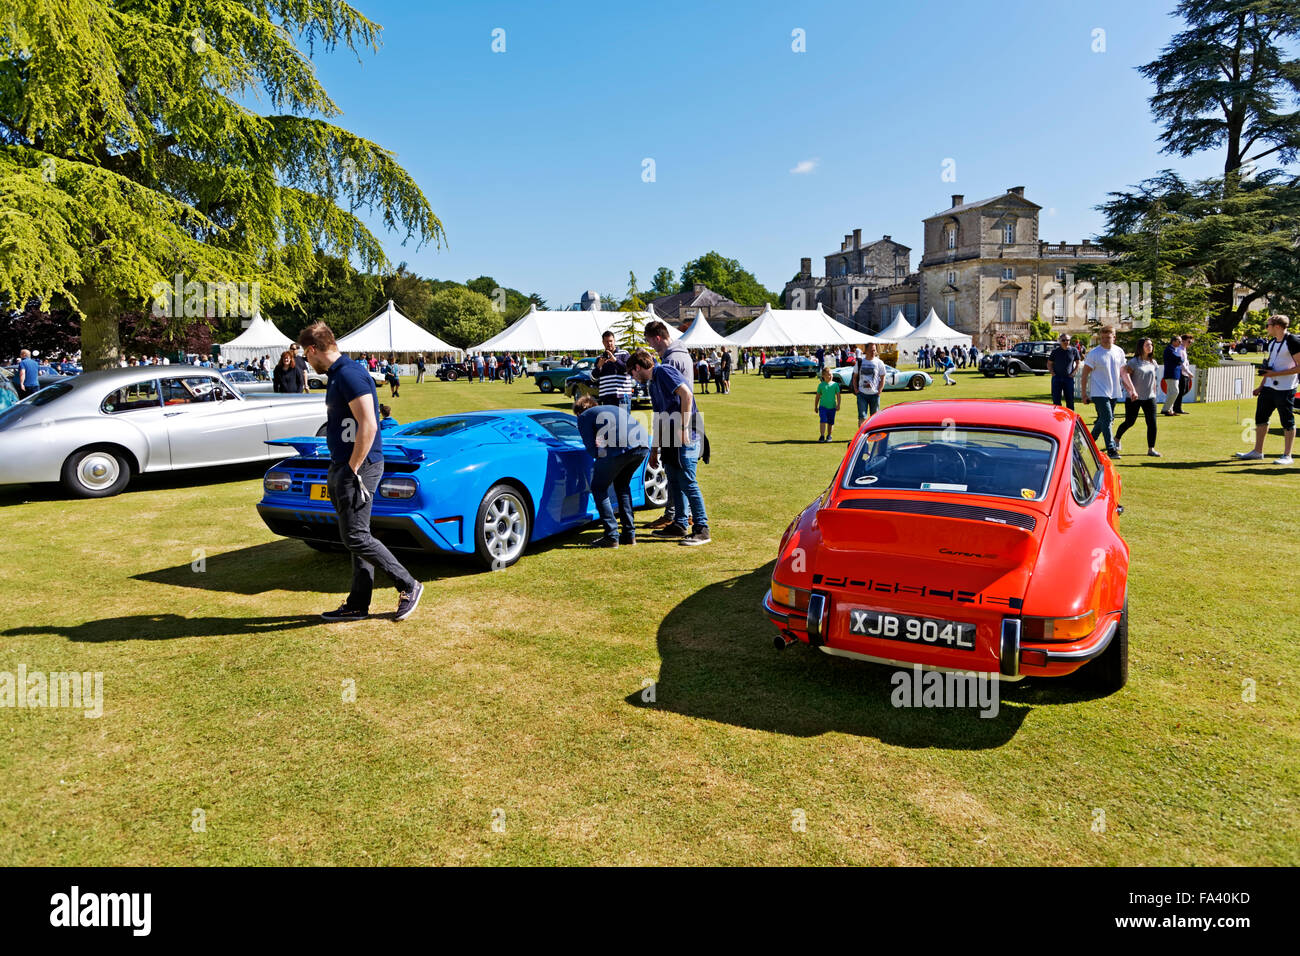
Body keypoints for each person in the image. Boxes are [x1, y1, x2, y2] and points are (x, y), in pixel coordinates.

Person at [296, 322, 423, 622]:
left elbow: (369, 423)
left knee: (354, 535)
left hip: (360, 466)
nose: (306, 360)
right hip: (345, 464)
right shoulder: (339, 374)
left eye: (305, 353)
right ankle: (357, 603)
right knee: (357, 534)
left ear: (313, 349)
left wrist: (352, 468)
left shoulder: (350, 373)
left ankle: (408, 584)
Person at [627, 349, 709, 546]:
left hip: (686, 435)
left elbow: (687, 395)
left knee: (688, 481)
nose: (632, 378)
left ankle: (702, 528)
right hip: (669, 439)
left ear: (638, 367)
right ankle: (680, 524)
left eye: (632, 373)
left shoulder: (663, 371)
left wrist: (684, 428)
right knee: (673, 481)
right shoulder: (653, 383)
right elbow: (659, 418)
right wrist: (655, 449)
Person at [574, 394, 650, 547]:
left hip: (621, 449)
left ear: (579, 412)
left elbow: (591, 449)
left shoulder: (584, 417)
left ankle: (611, 535)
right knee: (622, 486)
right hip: (642, 446)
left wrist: (599, 454)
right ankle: (629, 534)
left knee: (598, 488)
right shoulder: (611, 409)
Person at [643, 320, 694, 530]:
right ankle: (680, 514)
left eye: (649, 341)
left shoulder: (670, 361)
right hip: (684, 420)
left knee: (676, 474)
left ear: (657, 337)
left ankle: (677, 516)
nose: (650, 346)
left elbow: (675, 398)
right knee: (680, 473)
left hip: (676, 422)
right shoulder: (682, 354)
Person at [1235, 314, 1299, 465]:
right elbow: (1270, 367)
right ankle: (1257, 451)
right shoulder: (1272, 342)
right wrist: (1261, 386)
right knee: (1261, 419)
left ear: (1277, 326)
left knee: (1287, 421)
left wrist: (1275, 374)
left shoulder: (1292, 341)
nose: (1266, 327)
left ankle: (1287, 455)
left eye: (1267, 324)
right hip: (1269, 387)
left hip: (1285, 388)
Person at [1081, 325, 1127, 457]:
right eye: (1103, 338)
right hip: (1099, 392)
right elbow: (1084, 375)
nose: (1105, 340)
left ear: (1114, 337)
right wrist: (1084, 394)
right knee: (1107, 419)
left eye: (1108, 337)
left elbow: (1123, 372)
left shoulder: (1119, 351)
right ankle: (1111, 449)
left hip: (1114, 391)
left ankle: (1087, 442)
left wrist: (1130, 388)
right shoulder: (1094, 353)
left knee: (1104, 420)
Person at [1115, 338, 1162, 457]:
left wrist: (1155, 394)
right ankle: (1116, 439)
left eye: (1151, 344)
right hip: (1134, 398)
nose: (1150, 346)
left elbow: (1153, 380)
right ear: (1141, 347)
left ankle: (1151, 449)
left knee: (1152, 423)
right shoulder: (1133, 362)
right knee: (1130, 421)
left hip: (1150, 397)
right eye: (1147, 345)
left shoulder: (1153, 363)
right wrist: (1131, 392)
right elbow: (1125, 379)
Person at [594, 331, 632, 410]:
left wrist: (615, 360)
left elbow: (629, 371)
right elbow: (593, 378)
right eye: (606, 341)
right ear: (603, 342)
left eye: (611, 341)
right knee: (609, 422)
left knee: (623, 422)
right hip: (606, 397)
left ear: (614, 341)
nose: (609, 343)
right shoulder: (599, 358)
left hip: (622, 397)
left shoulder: (624, 354)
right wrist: (598, 366)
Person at [850, 343, 886, 423]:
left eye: (874, 350)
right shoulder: (860, 362)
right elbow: (855, 376)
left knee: (875, 419)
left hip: (874, 395)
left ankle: (874, 435)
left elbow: (883, 377)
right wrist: (856, 390)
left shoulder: (879, 362)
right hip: (862, 394)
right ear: (866, 350)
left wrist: (879, 390)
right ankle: (862, 435)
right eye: (871, 350)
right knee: (862, 417)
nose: (873, 352)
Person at [1049, 334, 1077, 409]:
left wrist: (1074, 372)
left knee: (1070, 400)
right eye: (1063, 340)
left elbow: (1078, 362)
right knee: (1056, 401)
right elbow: (1049, 363)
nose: (1066, 342)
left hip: (1068, 379)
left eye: (1067, 340)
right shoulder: (1055, 351)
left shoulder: (1074, 350)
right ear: (1060, 341)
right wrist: (1053, 373)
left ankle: (1070, 419)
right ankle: (1058, 418)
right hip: (1057, 378)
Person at [814, 367, 841, 443]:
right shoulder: (821, 385)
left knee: (830, 422)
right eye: (828, 375)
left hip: (832, 407)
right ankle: (822, 436)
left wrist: (838, 405)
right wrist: (815, 406)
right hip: (823, 407)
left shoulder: (835, 385)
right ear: (823, 376)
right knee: (823, 420)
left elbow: (838, 395)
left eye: (831, 374)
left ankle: (829, 435)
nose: (830, 376)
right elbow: (817, 397)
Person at [1160, 335, 1182, 416]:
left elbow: (1178, 359)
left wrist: (1180, 360)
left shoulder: (1173, 349)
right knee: (1175, 392)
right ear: (1174, 341)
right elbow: (1179, 359)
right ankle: (1166, 409)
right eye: (1179, 341)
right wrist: (1180, 360)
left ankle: (1170, 410)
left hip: (1173, 374)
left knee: (1171, 393)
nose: (1180, 343)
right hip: (1171, 374)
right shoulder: (1170, 349)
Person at [1174, 334, 1194, 414]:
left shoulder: (1184, 349)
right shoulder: (1180, 349)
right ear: (1183, 341)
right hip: (1181, 373)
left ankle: (1176, 406)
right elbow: (1181, 363)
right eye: (1189, 341)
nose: (1190, 343)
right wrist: (1188, 372)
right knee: (1181, 391)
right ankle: (1177, 408)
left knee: (1184, 390)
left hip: (1184, 373)